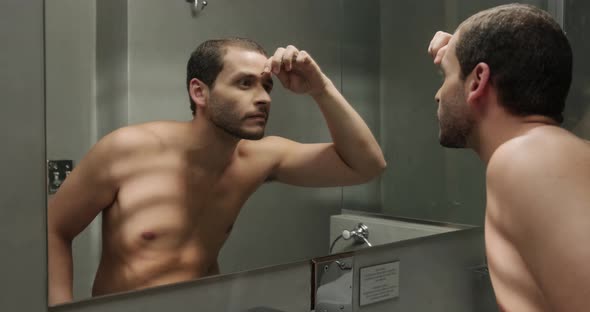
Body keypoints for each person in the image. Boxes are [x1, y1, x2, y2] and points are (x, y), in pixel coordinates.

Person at [47, 38, 386, 305]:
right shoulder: (125, 150)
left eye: (266, 86)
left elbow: (366, 166)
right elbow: (53, 229)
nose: (263, 98)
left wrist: (320, 88)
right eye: (244, 83)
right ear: (200, 92)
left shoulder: (259, 158)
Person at [427, 4, 590, 311]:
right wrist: (463, 52)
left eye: (445, 77)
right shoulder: (557, 154)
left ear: (477, 81)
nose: (438, 94)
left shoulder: (525, 159)